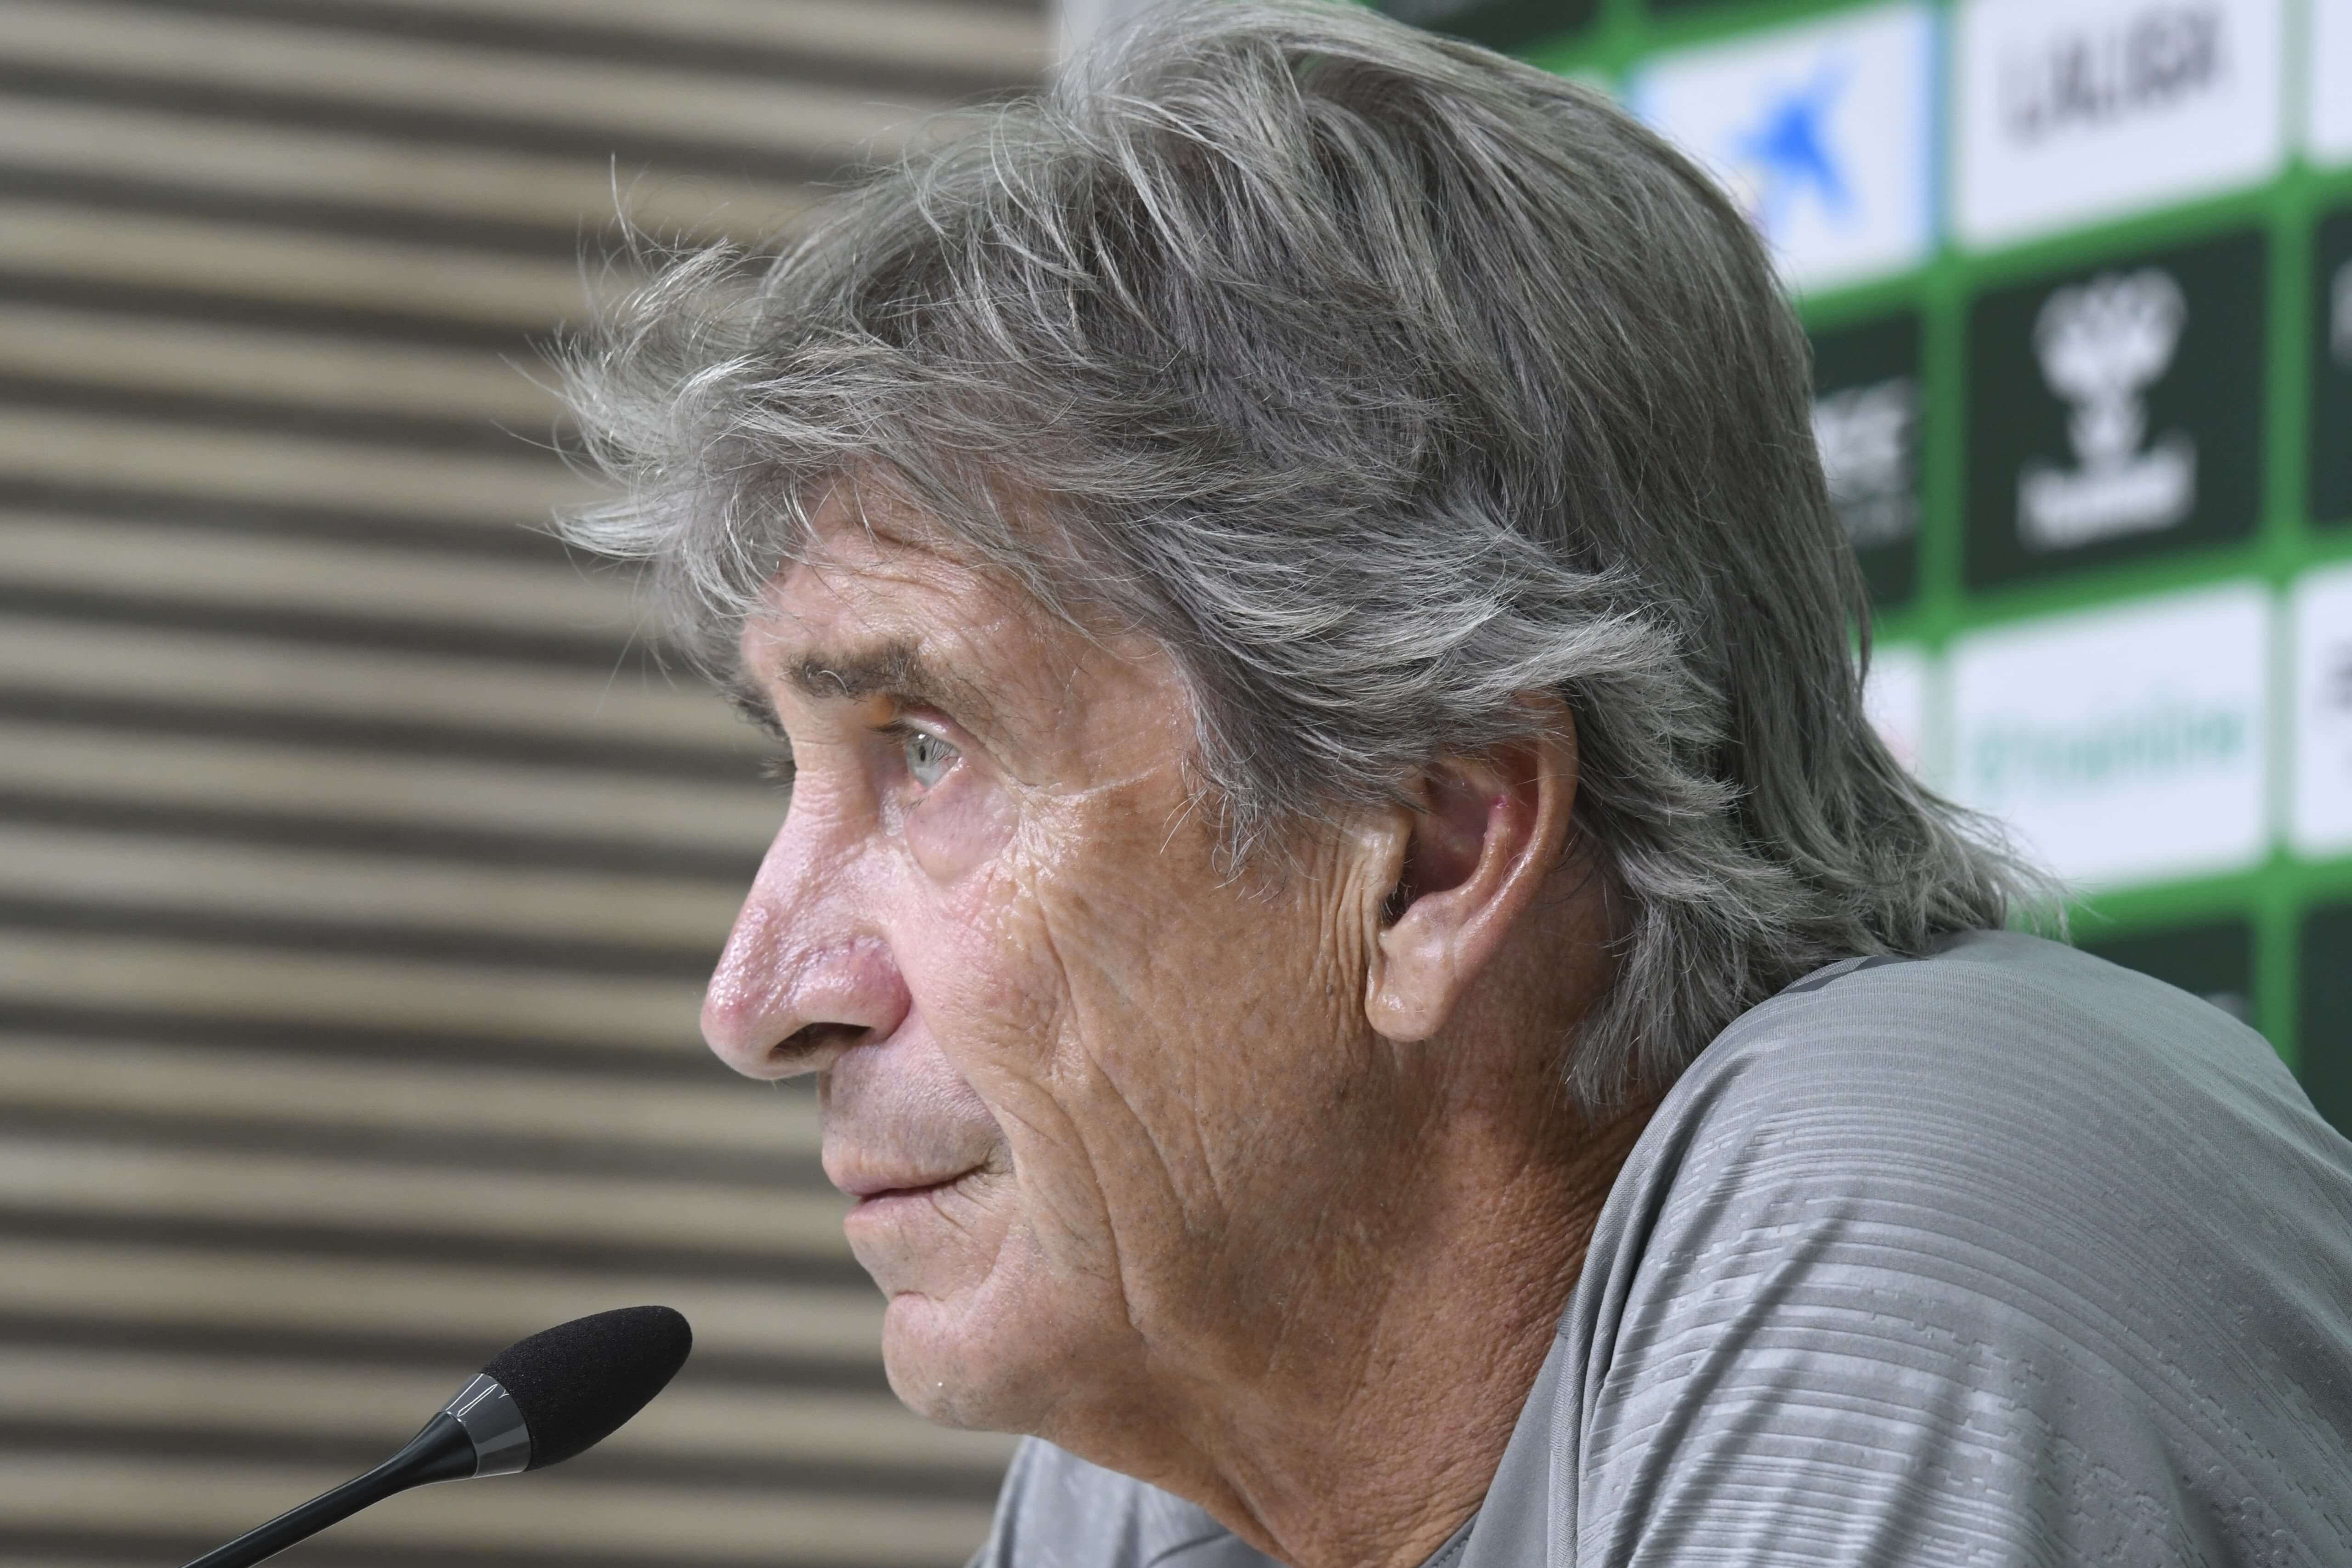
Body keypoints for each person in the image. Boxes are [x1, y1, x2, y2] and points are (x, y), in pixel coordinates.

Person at [551, 3, 2352, 1562]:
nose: (756, 995)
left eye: (922, 751)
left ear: (1432, 846)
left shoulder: (1912, 1223)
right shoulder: (1178, 1431)